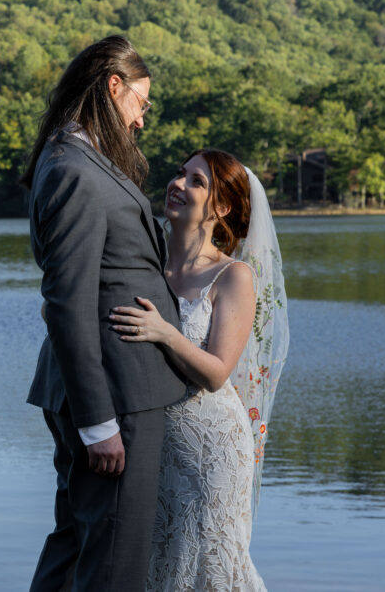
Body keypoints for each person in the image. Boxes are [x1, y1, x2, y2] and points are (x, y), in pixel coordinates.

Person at [21, 36, 187, 592]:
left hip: (115, 390)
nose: (141, 120)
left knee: (76, 545)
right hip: (115, 397)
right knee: (115, 559)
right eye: (141, 102)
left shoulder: (80, 158)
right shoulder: (74, 169)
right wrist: (98, 424)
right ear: (113, 88)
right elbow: (67, 301)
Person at [108, 149, 288, 591]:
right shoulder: (147, 266)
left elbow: (217, 373)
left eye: (196, 181)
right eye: (179, 174)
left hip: (211, 448)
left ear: (221, 207)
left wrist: (165, 332)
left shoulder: (233, 276)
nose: (178, 184)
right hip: (153, 443)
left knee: (207, 567)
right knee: (157, 564)